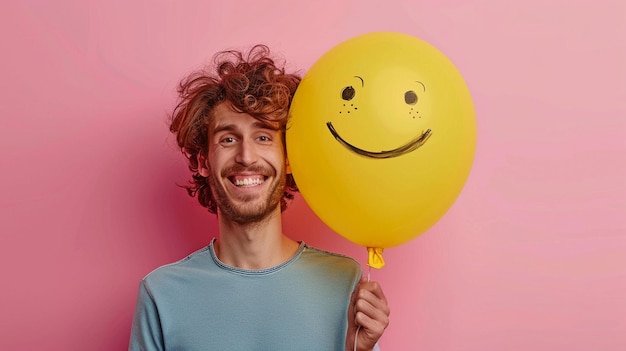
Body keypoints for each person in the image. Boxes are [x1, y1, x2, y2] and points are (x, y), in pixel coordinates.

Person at [129, 45, 390, 351]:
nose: (245, 155)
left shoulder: (345, 281)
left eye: (263, 136)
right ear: (203, 161)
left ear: (289, 156)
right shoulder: (161, 295)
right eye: (228, 138)